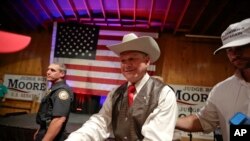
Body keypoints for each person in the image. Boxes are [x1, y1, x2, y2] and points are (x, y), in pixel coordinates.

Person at [65, 33, 178, 141]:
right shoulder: (115, 93)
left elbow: (155, 138)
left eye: (132, 59)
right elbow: (100, 123)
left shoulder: (164, 94)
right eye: (123, 60)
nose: (127, 64)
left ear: (147, 61)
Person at [175, 18, 250, 141]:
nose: (234, 54)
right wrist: (165, 120)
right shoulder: (221, 90)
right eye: (229, 49)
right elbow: (203, 121)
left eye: (241, 46)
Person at [34, 63, 74, 141]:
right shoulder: (53, 89)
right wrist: (39, 130)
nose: (48, 72)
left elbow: (58, 120)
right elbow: (46, 115)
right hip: (44, 131)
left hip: (54, 136)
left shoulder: (62, 92)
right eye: (48, 69)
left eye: (52, 70)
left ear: (62, 74)